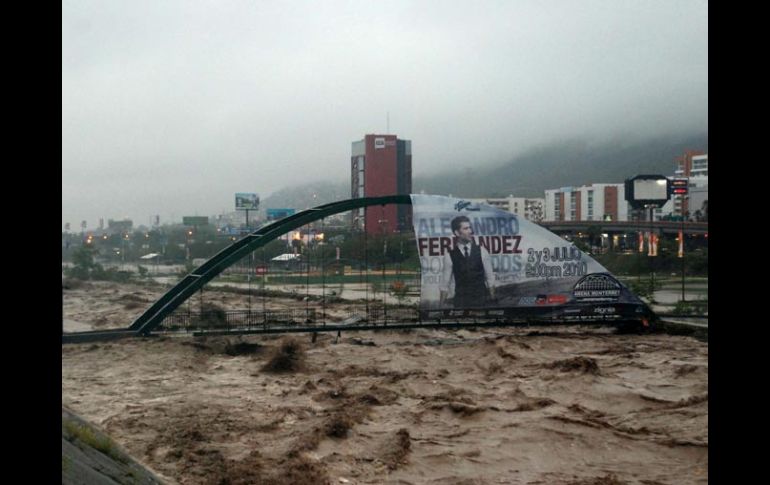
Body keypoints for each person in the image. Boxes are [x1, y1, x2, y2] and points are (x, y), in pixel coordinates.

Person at [439, 215, 495, 308]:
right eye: (466, 228)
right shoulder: (449, 255)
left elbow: (490, 278)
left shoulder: (482, 251)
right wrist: (440, 307)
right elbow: (445, 284)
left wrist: (493, 300)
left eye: (470, 228)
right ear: (457, 232)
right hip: (461, 304)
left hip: (481, 302)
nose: (470, 231)